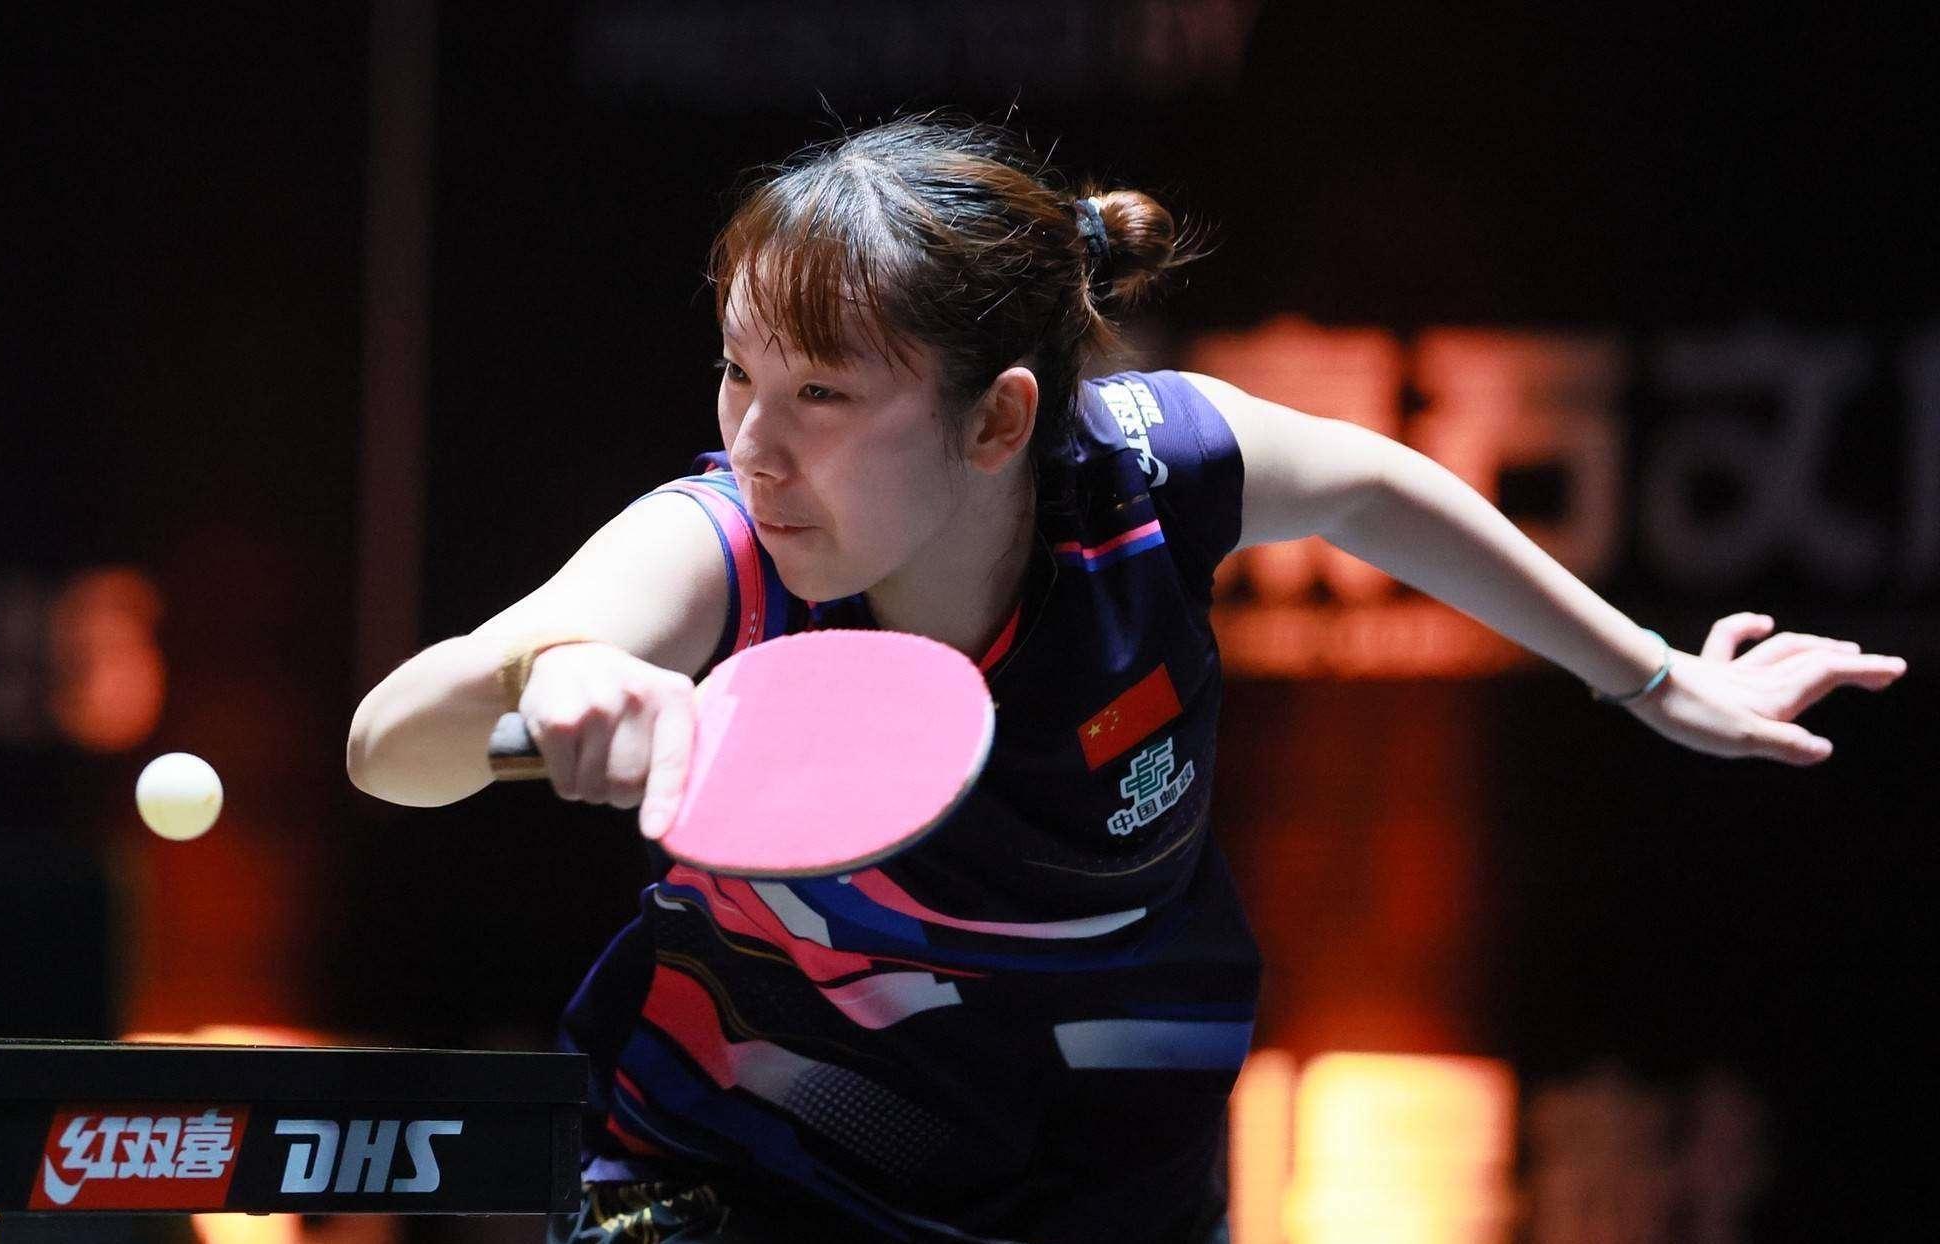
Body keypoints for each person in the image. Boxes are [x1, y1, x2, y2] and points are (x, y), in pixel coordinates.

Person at [345, 117, 1907, 1243]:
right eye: (737, 374)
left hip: (1107, 1170)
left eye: (820, 393)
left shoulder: (1156, 471)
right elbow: (388, 745)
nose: (755, 442)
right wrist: (559, 669)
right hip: (749, 1166)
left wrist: (1650, 678)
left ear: (1000, 420)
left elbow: (1371, 485)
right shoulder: (723, 545)